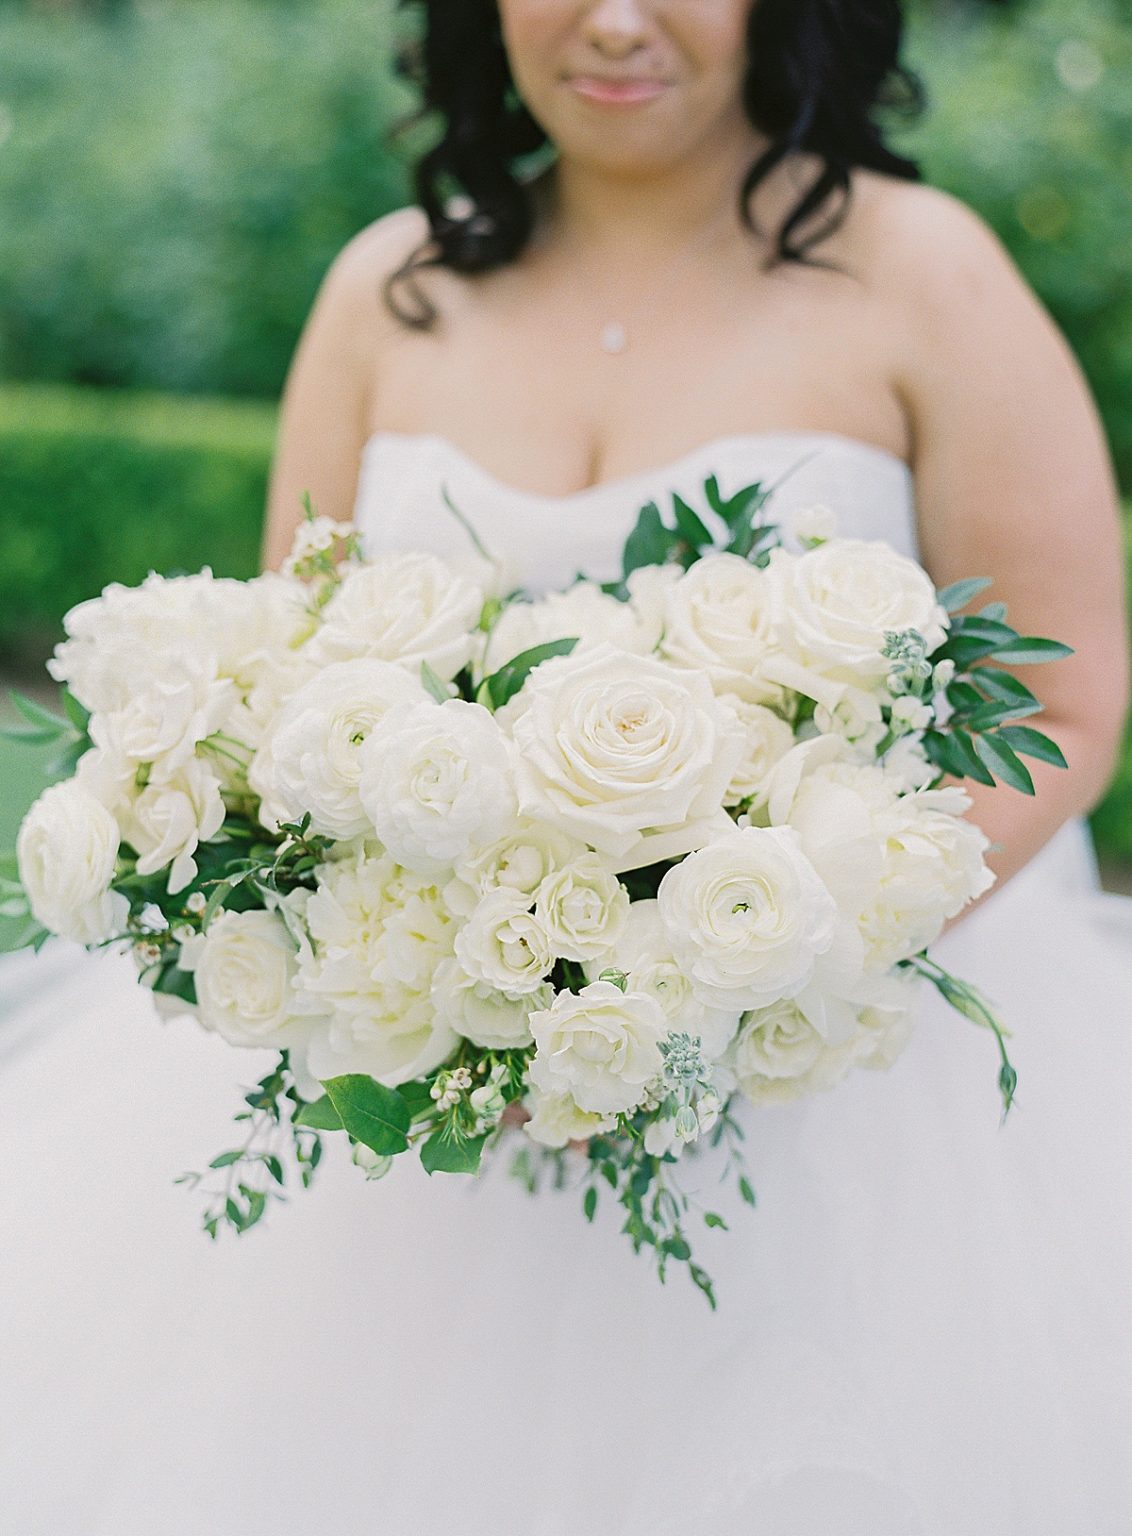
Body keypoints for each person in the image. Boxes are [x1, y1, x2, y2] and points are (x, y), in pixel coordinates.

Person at [2, 2, 1130, 1532]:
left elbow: (1063, 687)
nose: (613, 18)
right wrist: (422, 979)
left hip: (854, 1095)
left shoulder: (924, 271)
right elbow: (288, 696)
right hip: (437, 1103)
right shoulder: (386, 292)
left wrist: (762, 968)